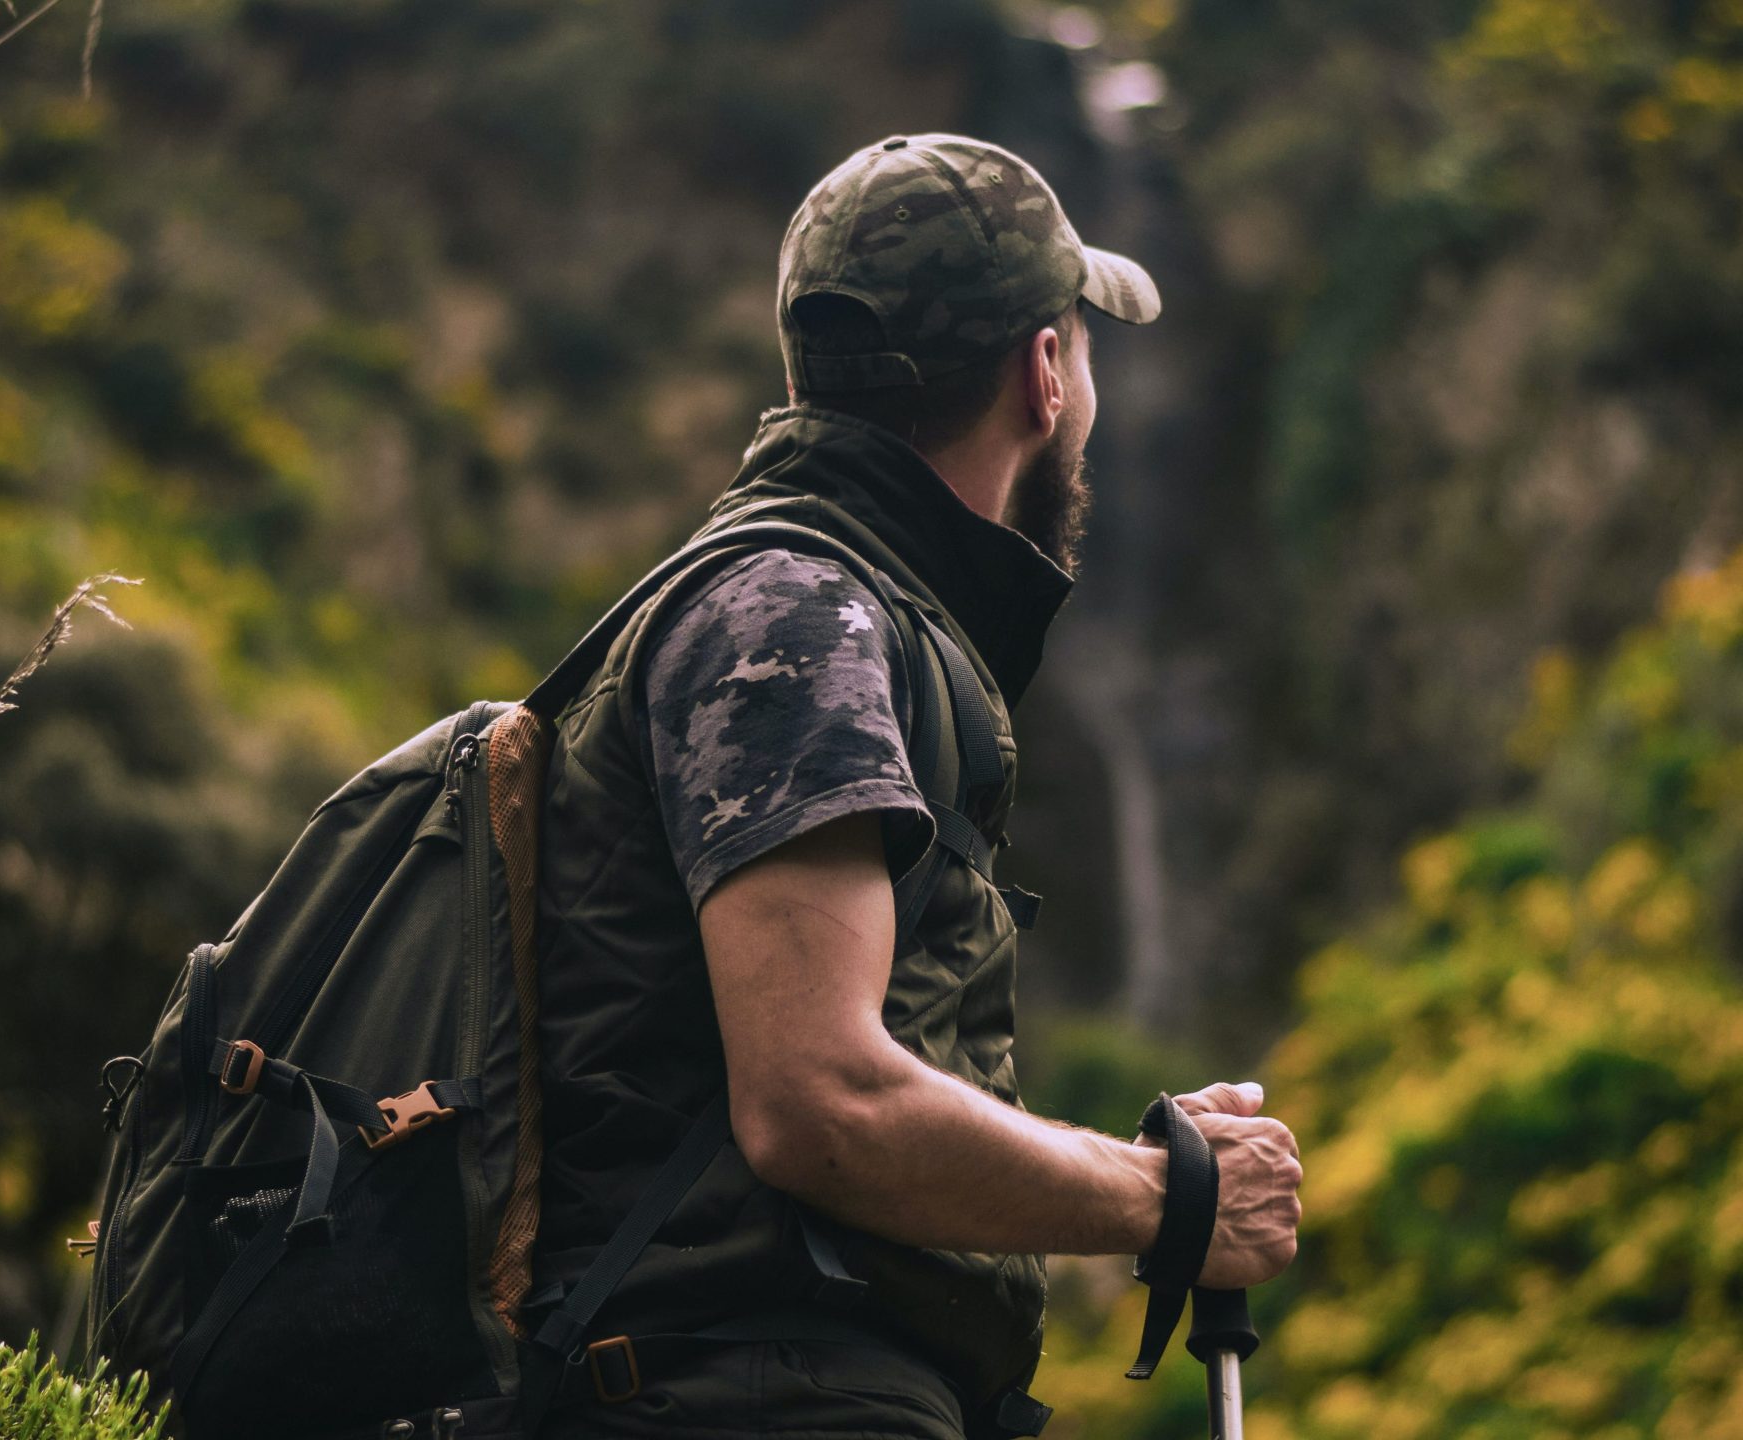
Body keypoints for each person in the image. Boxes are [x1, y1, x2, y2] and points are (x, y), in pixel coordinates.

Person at [530, 134, 1302, 1440]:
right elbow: (816, 1103)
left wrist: (1109, 1177)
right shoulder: (801, 616)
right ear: (1044, 371)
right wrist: (1164, 1197)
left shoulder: (824, 608)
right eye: (1080, 345)